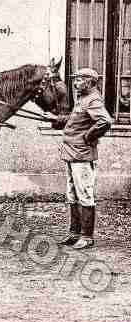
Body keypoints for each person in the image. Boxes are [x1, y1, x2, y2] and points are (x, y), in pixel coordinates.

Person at [43, 68, 113, 249]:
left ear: (90, 82)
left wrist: (87, 137)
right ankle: (74, 233)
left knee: (85, 195)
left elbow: (105, 121)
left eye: (80, 80)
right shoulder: (82, 98)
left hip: (81, 154)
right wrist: (56, 118)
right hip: (71, 153)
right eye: (75, 80)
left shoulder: (93, 99)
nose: (75, 83)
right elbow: (76, 119)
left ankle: (87, 236)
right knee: (72, 195)